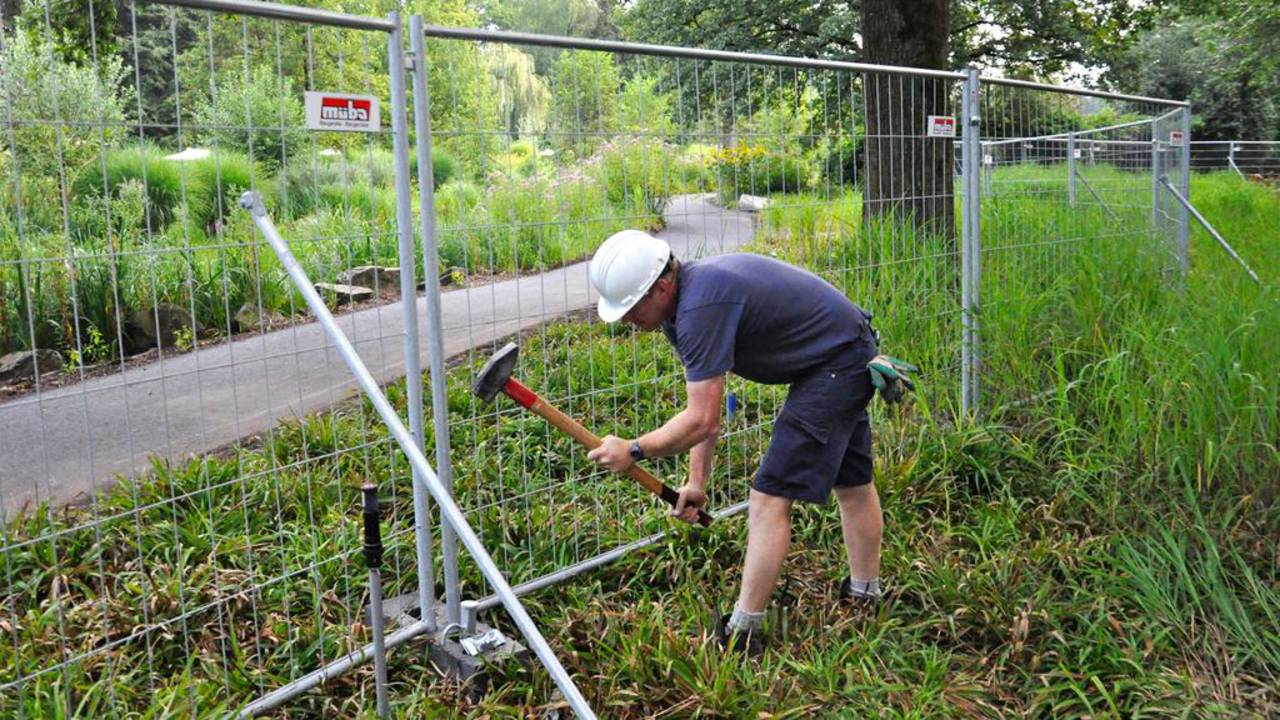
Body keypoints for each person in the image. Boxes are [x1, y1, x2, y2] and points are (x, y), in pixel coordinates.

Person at [585, 229, 913, 655]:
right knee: (851, 483)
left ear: (662, 285)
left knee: (768, 499)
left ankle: (743, 633)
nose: (628, 320)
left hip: (838, 364)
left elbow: (699, 420)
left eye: (630, 308)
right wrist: (696, 483)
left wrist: (632, 449)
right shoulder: (680, 308)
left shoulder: (701, 306)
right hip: (842, 351)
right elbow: (707, 414)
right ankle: (865, 594)